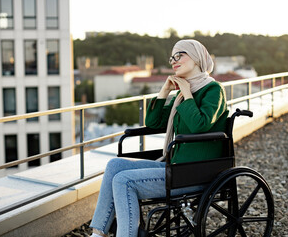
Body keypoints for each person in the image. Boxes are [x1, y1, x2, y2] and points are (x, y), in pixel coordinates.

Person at [89, 39, 229, 237]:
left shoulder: (213, 90)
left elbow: (200, 124)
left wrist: (187, 94)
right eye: (172, 57)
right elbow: (154, 123)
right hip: (177, 166)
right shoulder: (181, 95)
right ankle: (97, 234)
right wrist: (164, 91)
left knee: (123, 181)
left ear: (196, 57)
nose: (173, 61)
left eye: (179, 55)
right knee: (115, 165)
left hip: (195, 172)